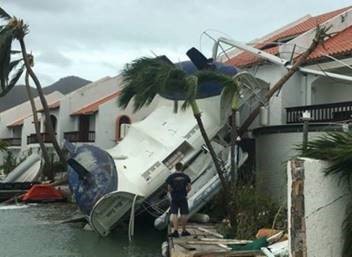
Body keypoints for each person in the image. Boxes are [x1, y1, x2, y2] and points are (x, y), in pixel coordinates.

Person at [166, 162, 191, 237]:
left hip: (174, 197)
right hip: (183, 197)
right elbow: (189, 188)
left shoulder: (171, 177)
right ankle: (183, 231)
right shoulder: (186, 177)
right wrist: (185, 193)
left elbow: (169, 188)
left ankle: (175, 231)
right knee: (184, 214)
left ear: (175, 167)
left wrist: (172, 193)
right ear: (182, 168)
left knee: (174, 214)